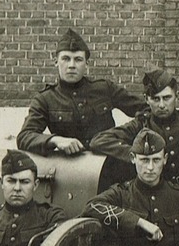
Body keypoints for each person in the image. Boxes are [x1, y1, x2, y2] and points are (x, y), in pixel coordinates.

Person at [17, 29, 147, 184]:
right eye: (66, 59)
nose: (72, 65)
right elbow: (24, 137)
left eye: (78, 59)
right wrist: (56, 140)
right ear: (56, 61)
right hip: (74, 173)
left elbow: (145, 110)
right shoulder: (45, 99)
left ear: (87, 64)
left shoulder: (104, 89)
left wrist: (124, 133)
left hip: (112, 167)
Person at [93, 68, 179, 190]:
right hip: (159, 195)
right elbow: (99, 140)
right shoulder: (140, 125)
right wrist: (134, 154)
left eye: (166, 98)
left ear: (177, 96)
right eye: (155, 99)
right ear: (146, 99)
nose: (161, 105)